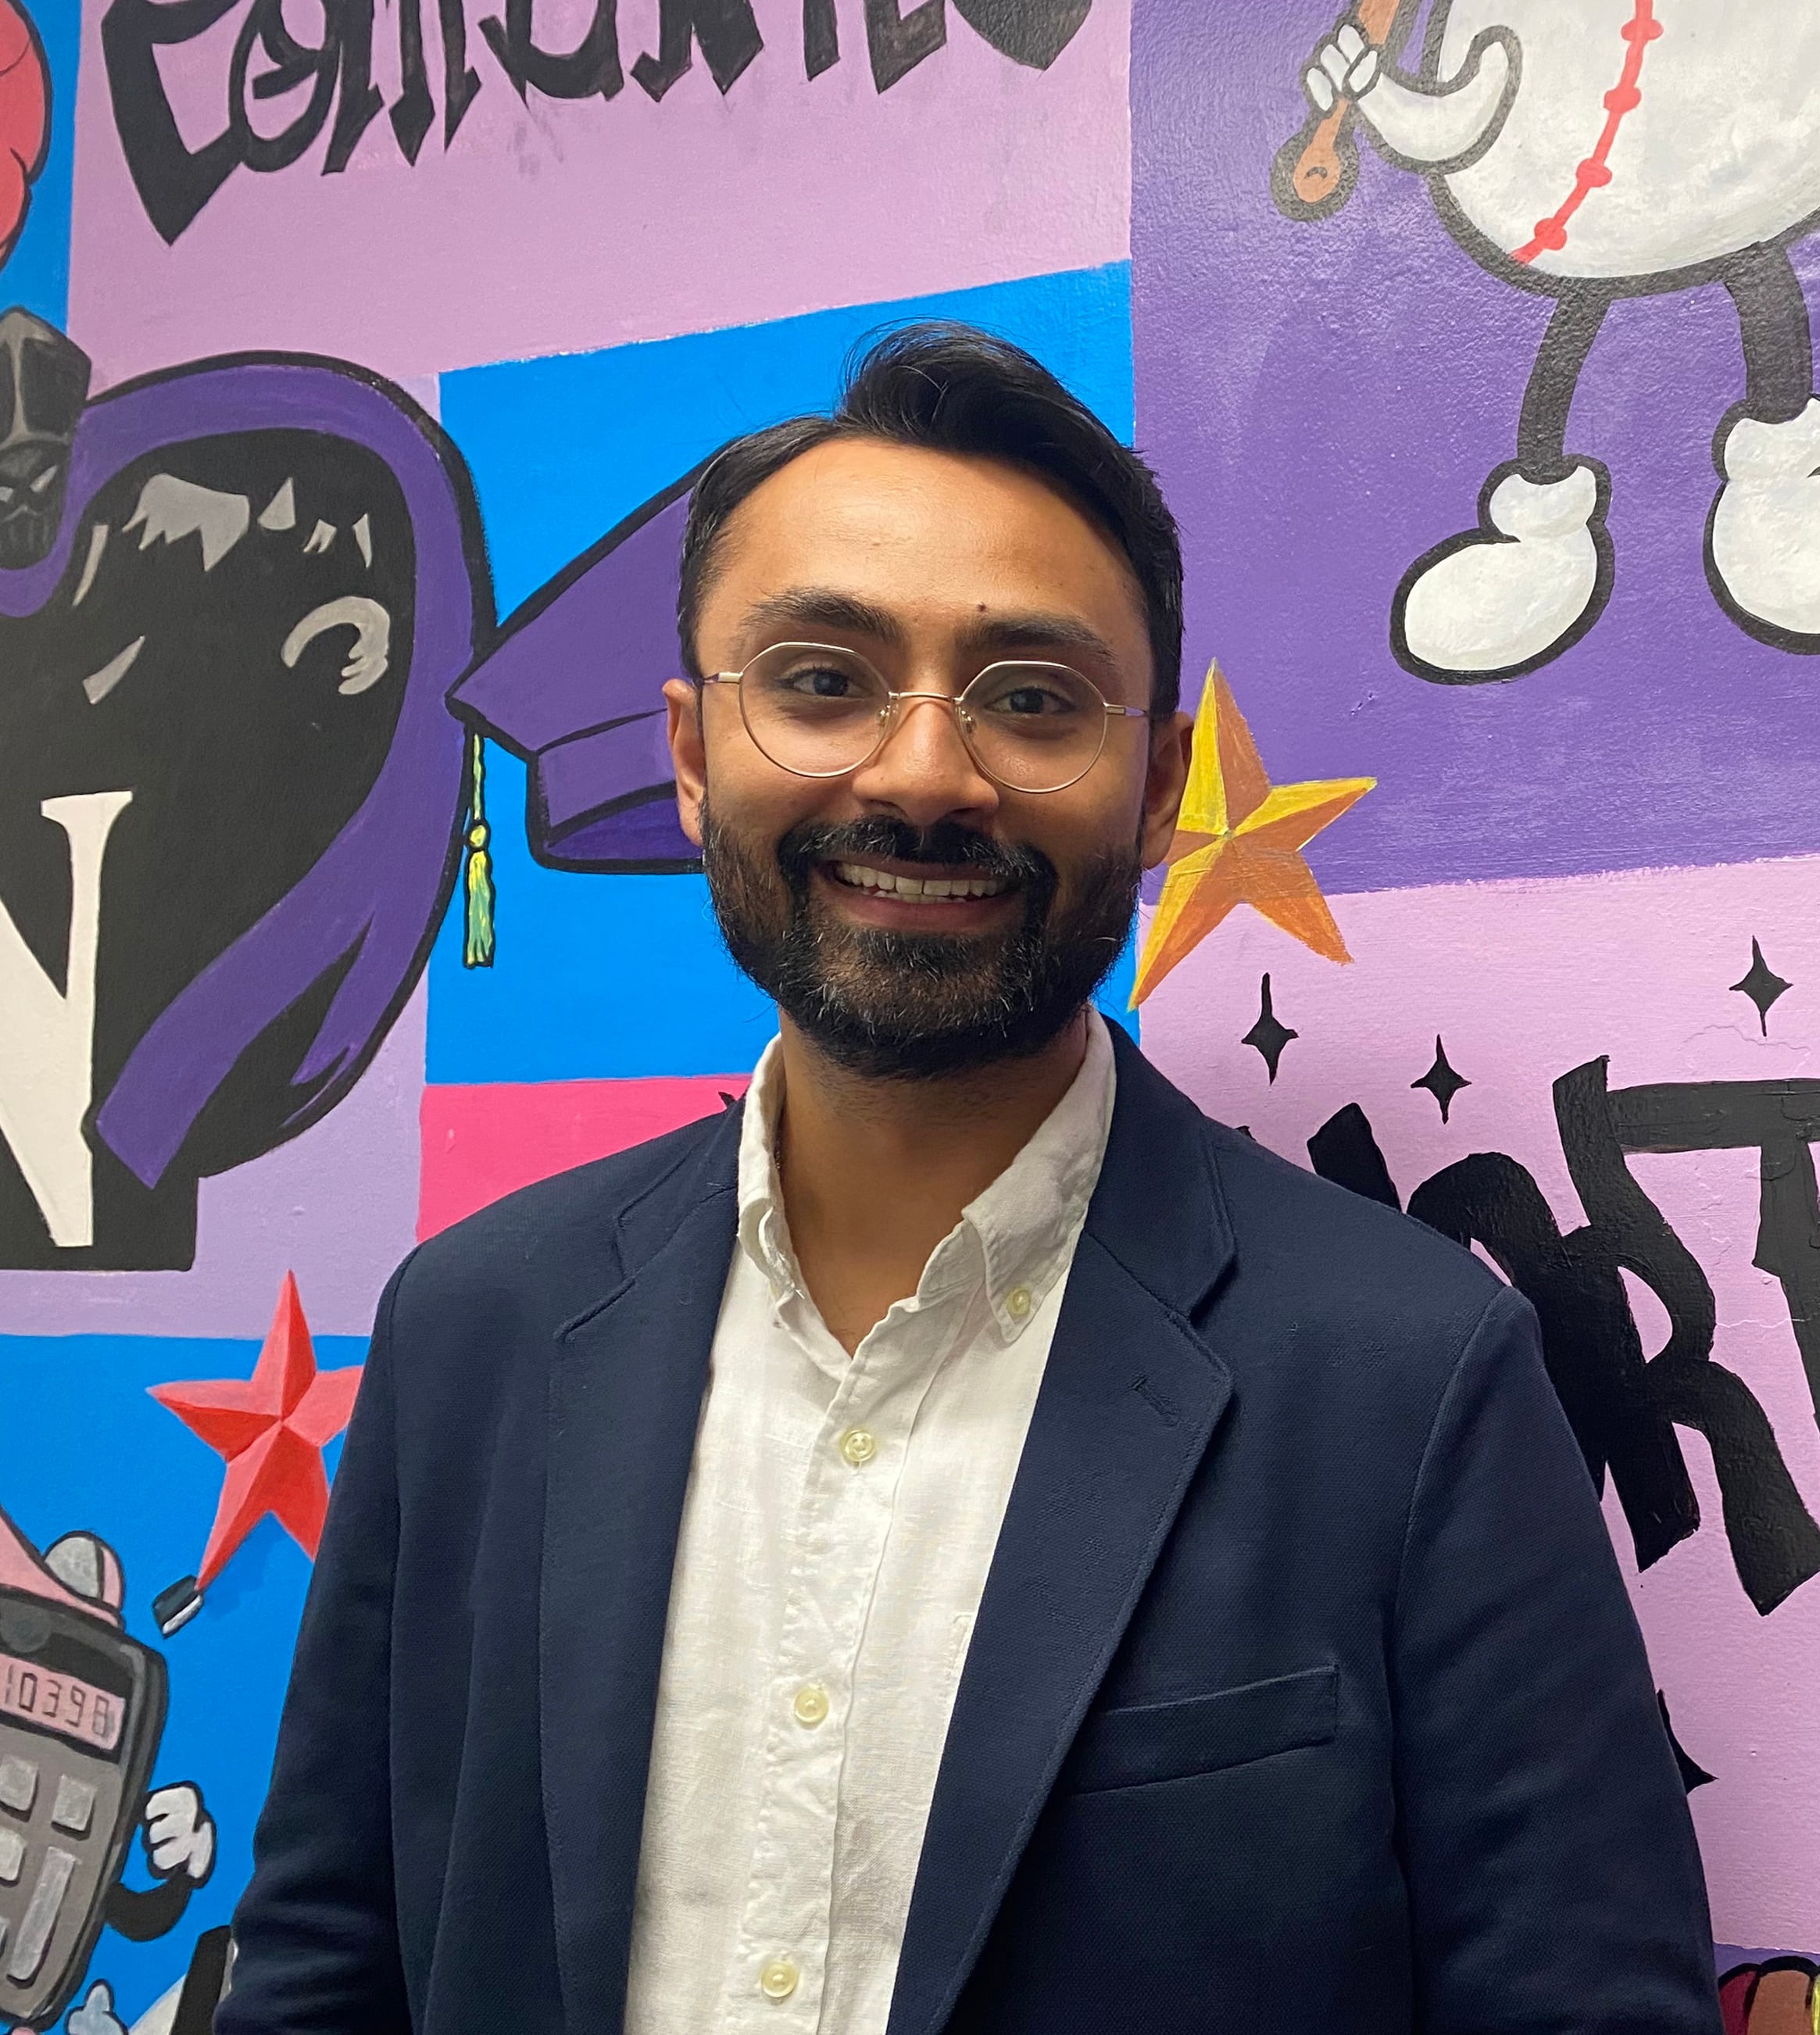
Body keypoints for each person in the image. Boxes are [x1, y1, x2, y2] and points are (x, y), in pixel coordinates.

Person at [215, 324, 1718, 2033]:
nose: (925, 772)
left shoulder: (1410, 1372)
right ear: (694, 755)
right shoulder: (474, 1324)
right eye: (822, 681)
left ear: (1156, 786)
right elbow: (329, 1960)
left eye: (1030, 698)